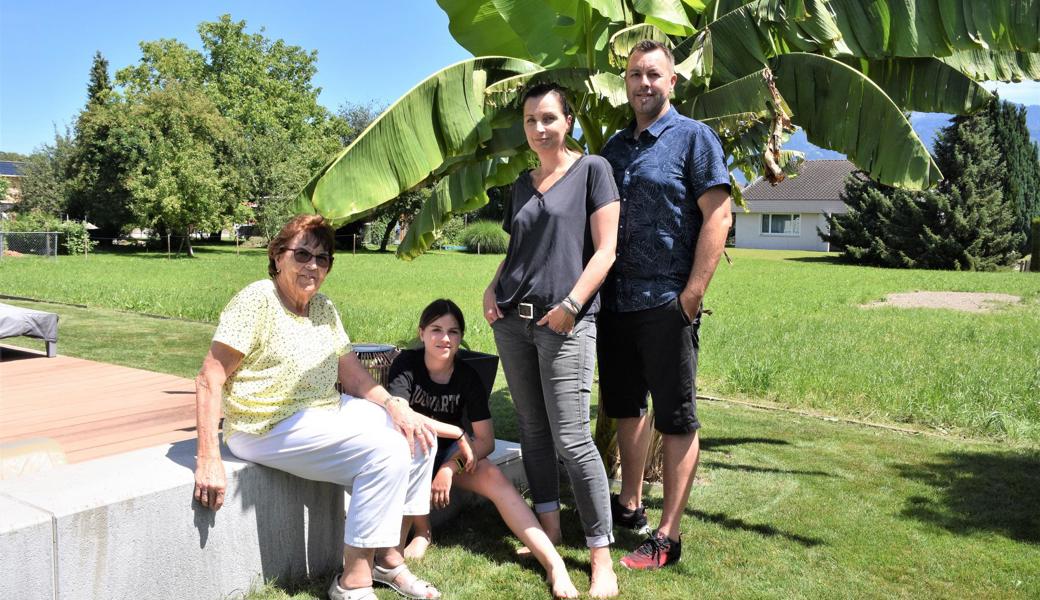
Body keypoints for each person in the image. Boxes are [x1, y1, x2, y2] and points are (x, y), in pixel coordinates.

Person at [193, 215, 443, 600]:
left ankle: (388, 558)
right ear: (278, 256)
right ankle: (353, 581)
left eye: (322, 258)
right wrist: (207, 456)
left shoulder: (323, 307)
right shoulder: (256, 300)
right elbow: (210, 377)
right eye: (303, 254)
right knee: (385, 450)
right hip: (266, 424)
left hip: (325, 408)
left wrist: (396, 406)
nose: (313, 265)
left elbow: (356, 377)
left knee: (418, 435)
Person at [598, 39, 733, 570]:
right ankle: (630, 505)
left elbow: (718, 216)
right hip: (616, 303)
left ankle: (668, 536)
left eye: (654, 74)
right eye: (634, 75)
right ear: (625, 83)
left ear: (672, 81)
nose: (643, 84)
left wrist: (693, 295)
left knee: (675, 419)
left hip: (666, 302)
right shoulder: (613, 149)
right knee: (627, 408)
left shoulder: (693, 139)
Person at [483, 83, 621, 598]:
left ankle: (600, 556)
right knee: (534, 433)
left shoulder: (593, 171)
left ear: (568, 121)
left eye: (548, 118)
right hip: (513, 323)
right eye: (530, 121)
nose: (539, 129)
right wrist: (491, 286)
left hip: (565, 323)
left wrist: (570, 307)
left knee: (572, 439)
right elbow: (518, 249)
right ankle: (549, 529)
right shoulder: (523, 183)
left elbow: (605, 251)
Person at [387, 299, 579, 598]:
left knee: (496, 482)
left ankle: (555, 565)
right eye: (436, 330)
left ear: (461, 338)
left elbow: (486, 441)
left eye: (453, 331)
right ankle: (414, 538)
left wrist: (451, 467)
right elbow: (402, 414)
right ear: (421, 332)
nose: (445, 338)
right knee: (415, 447)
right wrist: (456, 432)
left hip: (453, 453)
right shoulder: (406, 365)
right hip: (413, 447)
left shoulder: (468, 377)